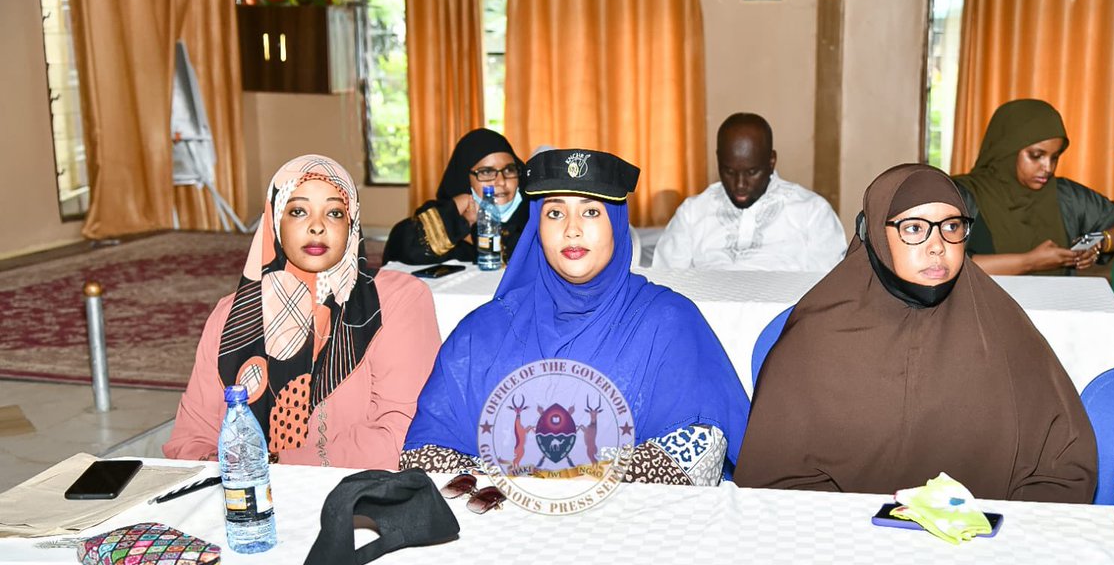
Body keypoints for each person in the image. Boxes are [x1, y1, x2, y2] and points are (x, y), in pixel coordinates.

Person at [734, 164, 1097, 503]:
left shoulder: (1002, 327)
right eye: (913, 228)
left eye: (951, 226)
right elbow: (774, 478)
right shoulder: (817, 335)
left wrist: (998, 533)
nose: (937, 245)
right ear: (876, 232)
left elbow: (1063, 463)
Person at [400, 149, 750, 486]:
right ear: (537, 225)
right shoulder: (484, 331)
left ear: (616, 222)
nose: (572, 229)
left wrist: (566, 481)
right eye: (554, 213)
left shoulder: (668, 322)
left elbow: (698, 453)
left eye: (591, 212)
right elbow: (423, 456)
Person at [164, 155, 441, 469]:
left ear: (352, 224)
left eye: (335, 213)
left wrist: (272, 463)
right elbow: (190, 439)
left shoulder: (394, 301)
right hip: (247, 499)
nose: (317, 227)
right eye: (298, 211)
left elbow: (401, 436)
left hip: (356, 497)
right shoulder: (233, 314)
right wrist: (241, 480)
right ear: (274, 221)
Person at [954, 99, 1114, 275]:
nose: (1048, 168)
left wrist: (1099, 242)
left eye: (1054, 157)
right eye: (1036, 155)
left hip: (1057, 313)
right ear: (1005, 150)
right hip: (980, 314)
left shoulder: (1066, 196)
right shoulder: (959, 195)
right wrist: (1029, 263)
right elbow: (940, 263)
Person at [652, 113, 845, 272]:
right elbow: (665, 281)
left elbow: (828, 291)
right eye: (729, 172)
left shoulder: (812, 212)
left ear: (771, 162)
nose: (740, 184)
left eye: (752, 172)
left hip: (785, 318)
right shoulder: (693, 212)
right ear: (718, 160)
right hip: (703, 317)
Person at [382, 129, 529, 265]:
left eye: (509, 170)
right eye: (486, 172)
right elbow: (401, 249)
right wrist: (462, 220)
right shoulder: (446, 214)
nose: (501, 181)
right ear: (464, 179)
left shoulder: (536, 212)